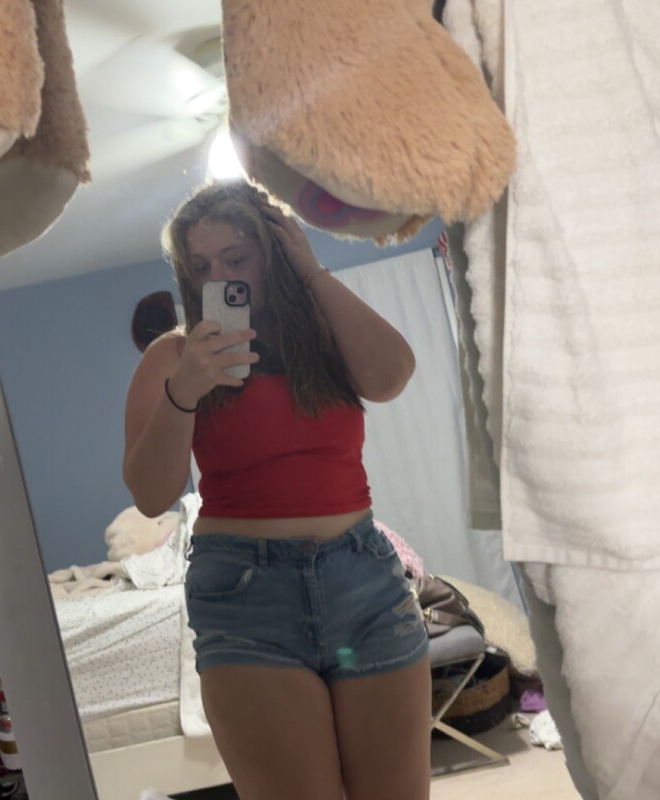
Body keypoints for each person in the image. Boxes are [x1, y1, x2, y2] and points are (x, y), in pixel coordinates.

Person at [123, 181, 431, 800]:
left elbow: (392, 375)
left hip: (363, 582)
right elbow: (152, 495)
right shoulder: (173, 356)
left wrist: (311, 270)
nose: (220, 278)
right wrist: (186, 390)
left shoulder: (321, 333)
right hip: (245, 598)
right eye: (201, 267)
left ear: (271, 252)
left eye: (236, 258)